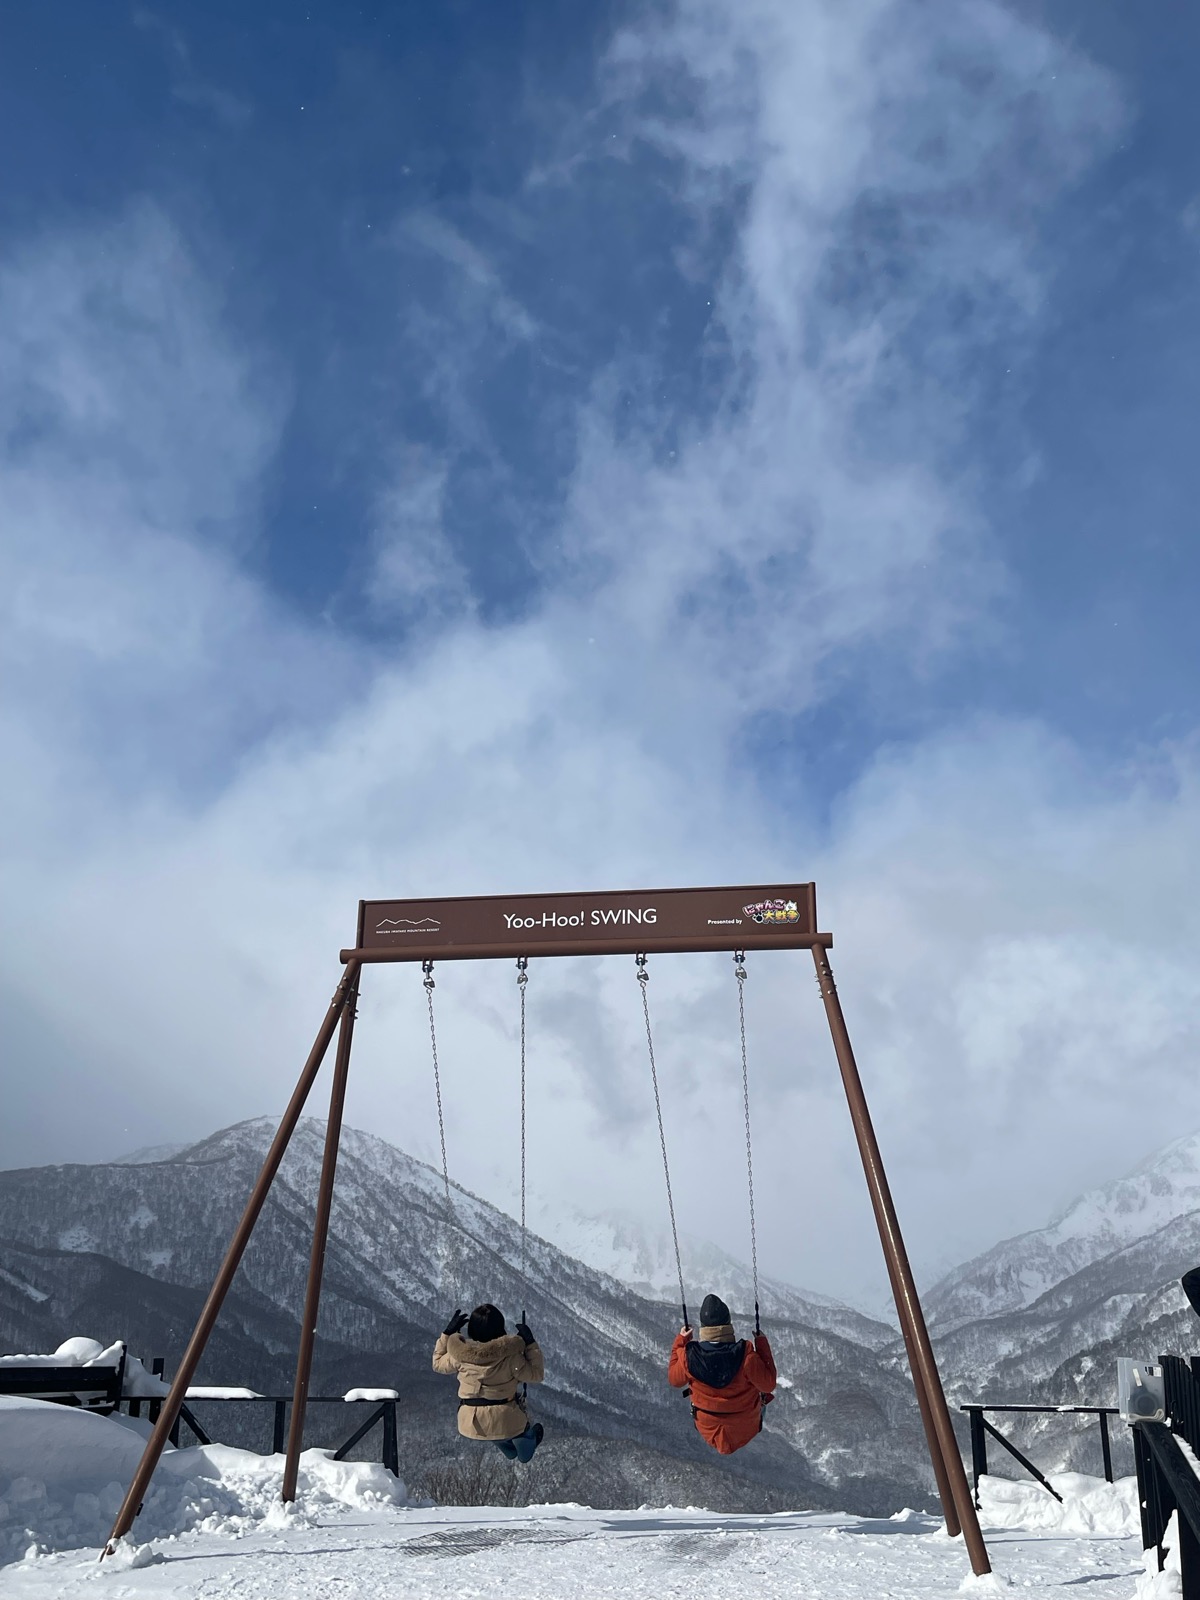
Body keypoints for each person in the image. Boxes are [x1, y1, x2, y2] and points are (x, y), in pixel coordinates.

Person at [433, 1303, 545, 1462]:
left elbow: (437, 1364)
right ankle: (525, 1444)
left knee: (490, 1422)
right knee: (505, 1423)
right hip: (506, 1422)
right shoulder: (510, 1357)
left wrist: (447, 1334)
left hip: (469, 1424)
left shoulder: (459, 1355)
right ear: (500, 1329)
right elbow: (536, 1374)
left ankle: (509, 1448)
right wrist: (530, 1344)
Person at [668, 1292, 776, 1456]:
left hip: (708, 1428)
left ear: (703, 1327)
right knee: (761, 1394)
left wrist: (681, 1341)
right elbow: (768, 1384)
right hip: (745, 1426)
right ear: (728, 1324)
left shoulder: (688, 1357)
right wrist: (762, 1344)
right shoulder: (745, 1355)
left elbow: (675, 1380)